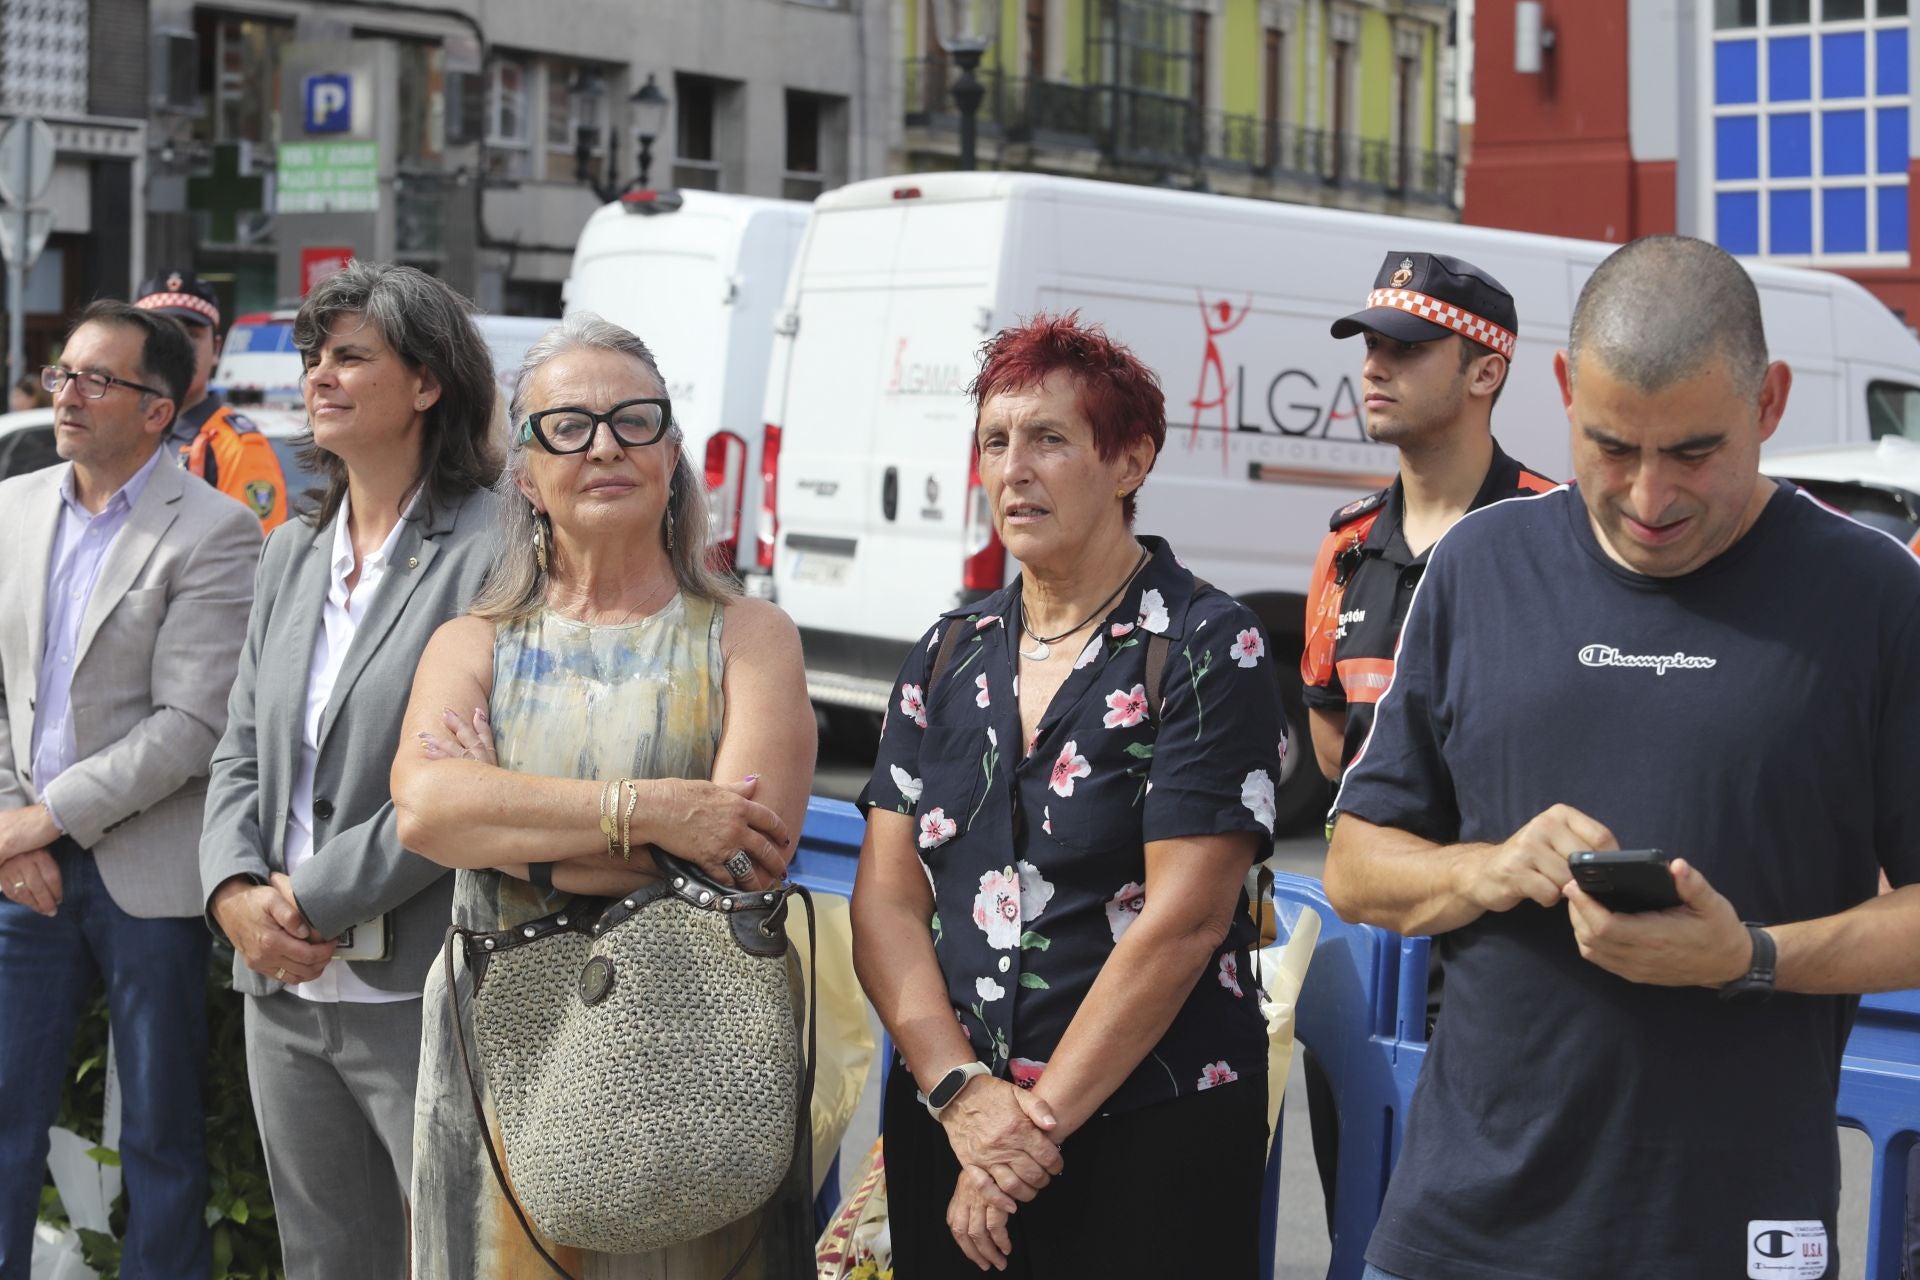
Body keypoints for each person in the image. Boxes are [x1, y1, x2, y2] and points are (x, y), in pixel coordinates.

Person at [1324, 235, 1920, 1280]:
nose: (1648, 496)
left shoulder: (1873, 596)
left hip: (1732, 1238)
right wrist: (1485, 865)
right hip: (1460, 1236)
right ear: (1560, 389)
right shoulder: (1480, 564)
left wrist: (1753, 956)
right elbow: (1355, 864)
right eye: (1611, 447)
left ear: (1770, 402)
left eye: (1693, 451)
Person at [852, 313, 1286, 1278]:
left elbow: (1182, 919)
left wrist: (1023, 1139)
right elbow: (885, 900)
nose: (1014, 469)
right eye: (995, 443)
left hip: (1146, 1123)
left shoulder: (1209, 644)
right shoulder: (948, 649)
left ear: (1129, 461)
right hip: (954, 1121)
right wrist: (964, 1096)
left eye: (1050, 439)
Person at [390, 312, 817, 1278]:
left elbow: (745, 853)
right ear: (526, 477)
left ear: (671, 455)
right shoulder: (473, 643)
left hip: (699, 1053)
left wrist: (501, 825)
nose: (607, 446)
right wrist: (654, 813)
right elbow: (424, 813)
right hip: (501, 1050)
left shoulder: (750, 637)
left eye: (635, 420)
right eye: (568, 427)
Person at [197, 262, 502, 1278]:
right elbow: (240, 743)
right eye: (313, 357)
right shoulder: (291, 548)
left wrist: (309, 896)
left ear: (427, 383)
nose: (320, 376)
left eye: (350, 356)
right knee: (325, 1259)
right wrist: (234, 891)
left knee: (458, 1254)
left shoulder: (497, 545)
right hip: (277, 985)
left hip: (417, 985)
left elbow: (467, 767)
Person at [0, 300, 262, 1277]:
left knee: (158, 1131)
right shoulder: (12, 507)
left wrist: (46, 815)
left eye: (94, 378)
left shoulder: (217, 530)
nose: (66, 393)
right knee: (4, 1115)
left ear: (159, 409)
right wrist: (10, 827)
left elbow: (191, 726)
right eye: (63, 372)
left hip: (146, 870)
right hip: (19, 864)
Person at [1302, 251, 1554, 782]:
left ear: (1485, 373)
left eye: (1407, 348)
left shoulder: (1554, 532)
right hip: (1367, 857)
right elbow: (1330, 750)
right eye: (1372, 345)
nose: (1374, 367)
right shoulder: (1347, 544)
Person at [136, 270, 290, 531]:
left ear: (216, 349)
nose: (178, 349)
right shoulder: (124, 428)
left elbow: (253, 560)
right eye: (163, 334)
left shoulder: (238, 448)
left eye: (191, 335)